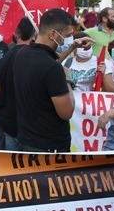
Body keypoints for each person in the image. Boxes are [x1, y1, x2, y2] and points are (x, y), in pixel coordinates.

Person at [13, 9, 77, 152]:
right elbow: (66, 112)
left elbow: (46, 63)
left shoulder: (22, 54)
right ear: (53, 34)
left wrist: (73, 47)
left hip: (27, 139)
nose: (67, 40)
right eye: (67, 36)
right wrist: (67, 81)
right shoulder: (53, 68)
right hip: (50, 147)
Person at [0, 17, 36, 151]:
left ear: (16, 34)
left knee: (10, 168)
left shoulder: (5, 57)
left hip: (7, 122)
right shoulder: (37, 57)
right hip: (31, 126)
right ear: (34, 34)